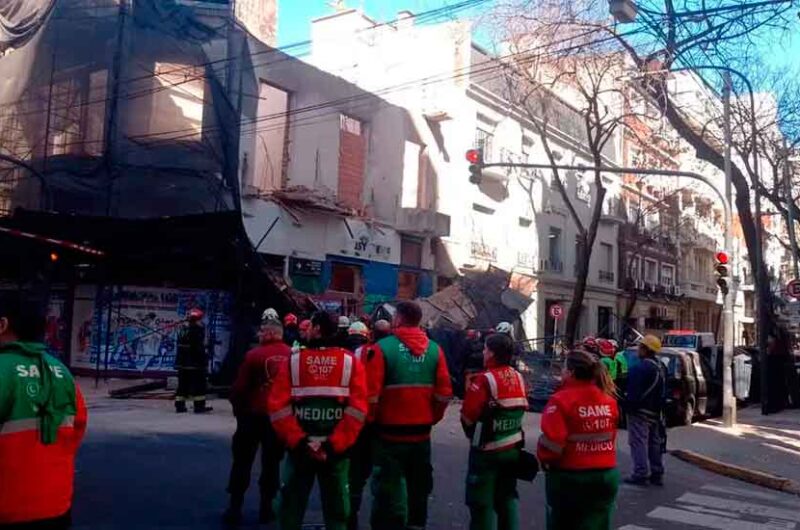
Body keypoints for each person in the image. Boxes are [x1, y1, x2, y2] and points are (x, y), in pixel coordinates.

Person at [268, 311, 367, 530]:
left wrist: (300, 441)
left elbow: (278, 409)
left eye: (310, 326)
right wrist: (333, 445)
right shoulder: (350, 363)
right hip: (335, 453)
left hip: (300, 451)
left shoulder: (294, 362)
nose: (307, 330)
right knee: (337, 510)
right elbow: (358, 411)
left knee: (290, 508)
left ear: (318, 329)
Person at [0, 291, 88, 528]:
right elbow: (77, 429)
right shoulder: (61, 371)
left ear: (2, 325)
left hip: (8, 507)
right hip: (55, 506)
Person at [367, 301, 453, 530]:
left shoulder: (381, 349)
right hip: (421, 435)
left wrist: (373, 421)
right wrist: (431, 417)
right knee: (419, 488)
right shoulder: (435, 350)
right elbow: (444, 393)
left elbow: (371, 396)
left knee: (387, 489)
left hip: (389, 436)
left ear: (399, 320)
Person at [537, 349, 619, 530]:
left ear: (572, 372)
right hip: (606, 475)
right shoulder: (608, 401)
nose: (562, 371)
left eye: (564, 368)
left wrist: (543, 459)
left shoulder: (560, 401)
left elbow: (552, 444)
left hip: (570, 476)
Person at [225, 319, 292, 525]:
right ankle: (267, 508)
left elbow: (239, 389)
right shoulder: (293, 356)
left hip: (251, 417)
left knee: (242, 462)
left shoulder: (254, 355)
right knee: (271, 464)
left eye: (262, 331)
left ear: (271, 333)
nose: (259, 334)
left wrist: (239, 410)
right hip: (277, 419)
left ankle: (235, 508)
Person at [461, 334, 528, 530]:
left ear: (491, 353)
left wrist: (473, 434)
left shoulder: (485, 379)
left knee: (481, 503)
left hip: (487, 450)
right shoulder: (519, 377)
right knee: (507, 497)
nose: (483, 352)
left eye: (485, 349)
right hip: (513, 447)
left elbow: (468, 415)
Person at [624, 335, 666, 486]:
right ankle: (657, 472)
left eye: (640, 347)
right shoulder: (659, 367)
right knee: (654, 443)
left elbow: (633, 394)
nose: (638, 350)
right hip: (655, 413)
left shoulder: (639, 368)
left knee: (638, 442)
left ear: (645, 349)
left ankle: (640, 473)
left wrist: (627, 406)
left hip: (640, 412)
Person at [175, 308, 212, 413]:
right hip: (195, 363)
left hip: (182, 363)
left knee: (182, 385)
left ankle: (179, 406)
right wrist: (204, 359)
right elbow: (197, 347)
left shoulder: (182, 328)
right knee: (199, 385)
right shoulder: (197, 329)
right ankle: (199, 406)